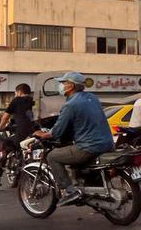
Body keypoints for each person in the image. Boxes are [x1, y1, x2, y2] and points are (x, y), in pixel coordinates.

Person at [32, 72, 114, 206]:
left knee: (52, 156)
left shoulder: (70, 105)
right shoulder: (92, 98)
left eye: (63, 83)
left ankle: (70, 191)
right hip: (108, 143)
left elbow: (57, 132)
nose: (61, 86)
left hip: (89, 146)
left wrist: (42, 134)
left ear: (70, 86)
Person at [0, 83, 34, 187]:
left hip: (21, 134)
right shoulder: (34, 101)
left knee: (3, 147)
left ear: (19, 92)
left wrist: (1, 126)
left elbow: (5, 116)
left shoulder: (17, 100)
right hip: (34, 133)